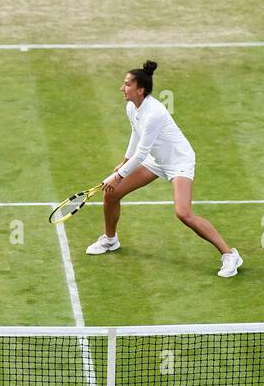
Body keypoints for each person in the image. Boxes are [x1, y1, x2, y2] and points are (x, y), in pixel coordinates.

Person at [88, 61, 241, 277]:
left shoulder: (155, 113)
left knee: (184, 213)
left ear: (140, 90)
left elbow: (142, 153)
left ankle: (229, 254)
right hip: (156, 159)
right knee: (111, 194)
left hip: (178, 161)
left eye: (127, 85)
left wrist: (118, 175)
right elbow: (135, 133)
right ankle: (110, 240)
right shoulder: (132, 107)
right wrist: (124, 161)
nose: (122, 88)